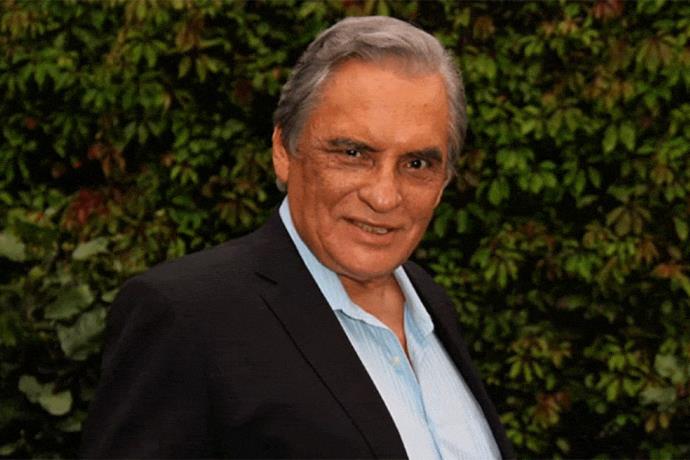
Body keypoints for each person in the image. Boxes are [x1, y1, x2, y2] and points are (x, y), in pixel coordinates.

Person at [80, 16, 515, 459]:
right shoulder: (187, 318)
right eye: (353, 153)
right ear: (284, 151)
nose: (384, 196)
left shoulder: (430, 305)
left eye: (417, 164)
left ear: (443, 181)